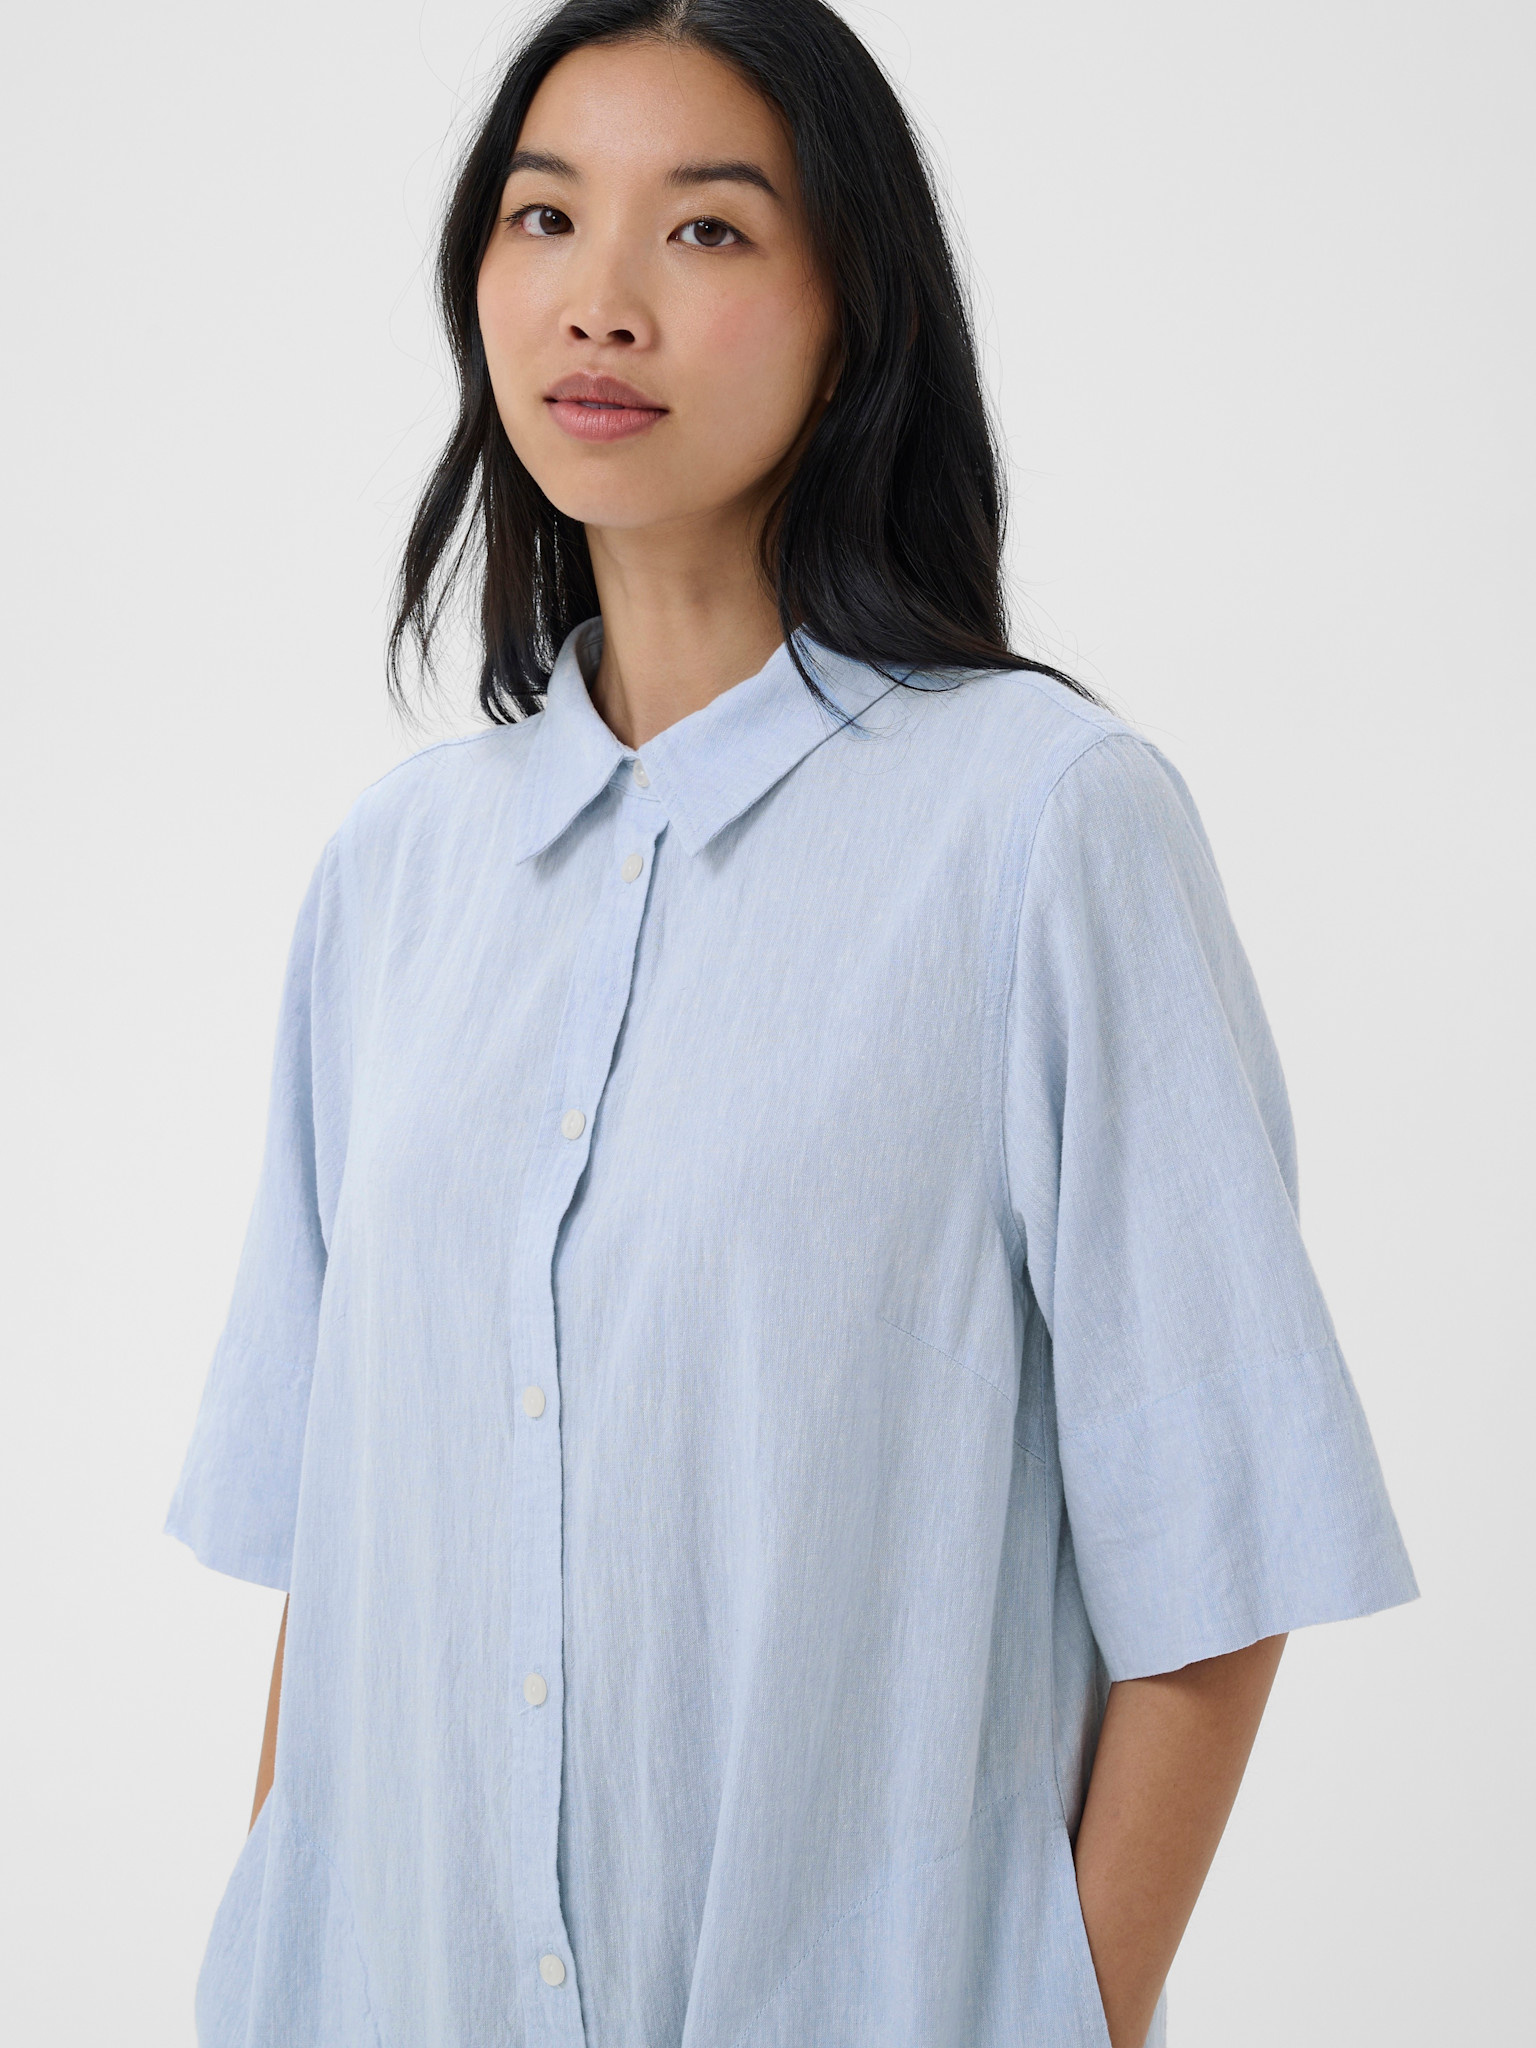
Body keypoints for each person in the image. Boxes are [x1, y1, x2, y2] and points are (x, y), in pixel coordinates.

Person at [163, 3, 1417, 2044]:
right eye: (544, 216)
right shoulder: (394, 877)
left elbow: (1218, 1544)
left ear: (857, 317)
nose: (602, 298)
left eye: (709, 229)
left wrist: (1062, 2012)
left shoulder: (1041, 829)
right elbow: (345, 1546)